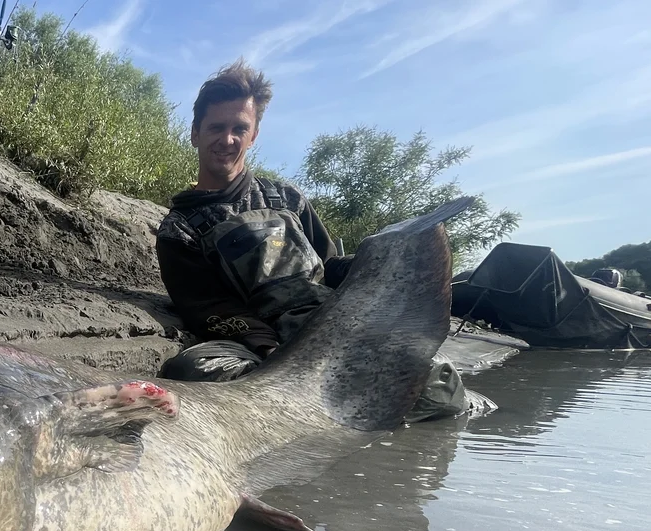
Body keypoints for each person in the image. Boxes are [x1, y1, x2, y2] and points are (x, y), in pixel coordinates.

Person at [154, 59, 481, 422]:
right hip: (258, 344)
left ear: (254, 135)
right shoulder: (178, 228)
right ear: (195, 133)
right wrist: (272, 347)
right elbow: (206, 308)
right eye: (216, 127)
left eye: (239, 128)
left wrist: (384, 258)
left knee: (441, 386)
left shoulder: (288, 197)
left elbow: (330, 268)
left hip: (333, 326)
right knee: (192, 370)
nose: (227, 139)